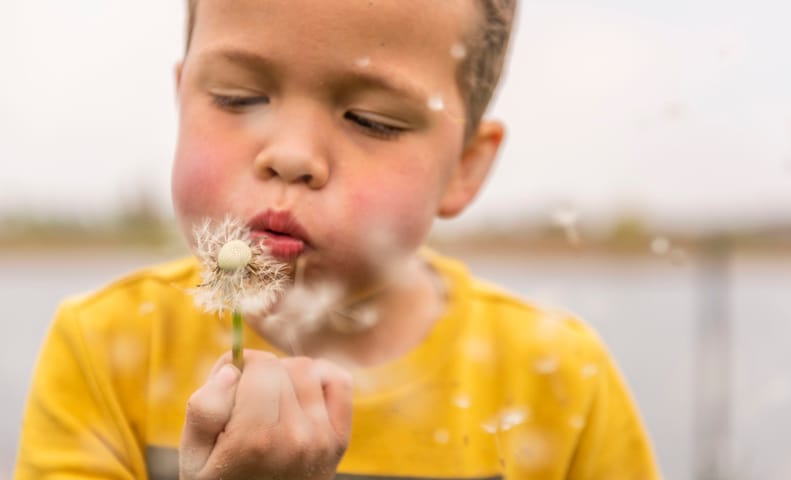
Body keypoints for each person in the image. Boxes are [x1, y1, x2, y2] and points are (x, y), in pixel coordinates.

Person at [15, 1, 660, 479]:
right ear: (182, 98)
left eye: (371, 121)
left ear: (464, 165)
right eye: (238, 98)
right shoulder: (104, 351)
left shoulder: (561, 384)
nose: (291, 156)